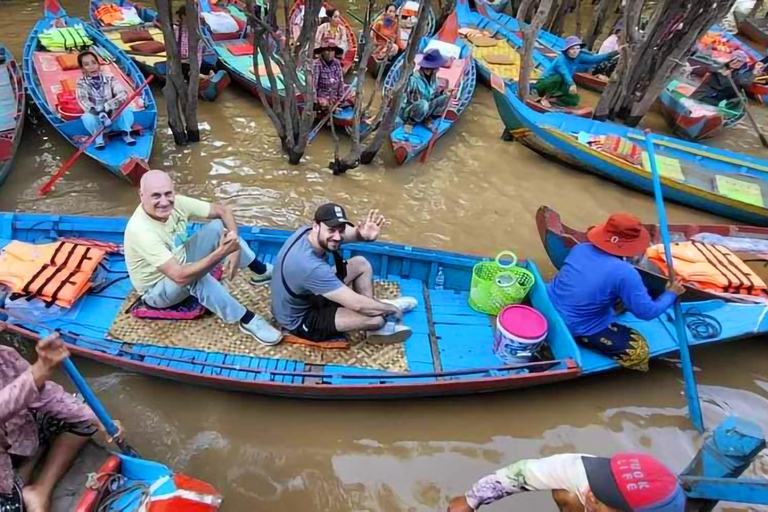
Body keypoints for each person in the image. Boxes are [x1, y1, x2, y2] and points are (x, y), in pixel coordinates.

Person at [124, 170, 282, 346]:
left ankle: (260, 271)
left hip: (180, 257)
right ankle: (247, 319)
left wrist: (234, 245)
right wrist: (222, 253)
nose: (164, 201)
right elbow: (180, 276)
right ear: (141, 195)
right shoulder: (141, 231)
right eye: (156, 196)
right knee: (195, 277)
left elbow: (223, 211)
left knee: (217, 228)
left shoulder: (177, 204)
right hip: (157, 290)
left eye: (168, 194)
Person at [0, 333, 123, 512]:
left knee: (84, 414)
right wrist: (37, 373)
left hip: (22, 434)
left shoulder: (4, 356)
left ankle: (40, 488)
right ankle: (24, 474)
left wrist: (97, 418)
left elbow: (43, 394)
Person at [547, 214, 685, 372]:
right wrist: (671, 293)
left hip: (550, 305)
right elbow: (647, 313)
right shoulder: (625, 272)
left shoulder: (580, 248)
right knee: (638, 351)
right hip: (577, 325)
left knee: (612, 295)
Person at [271, 204, 418, 344]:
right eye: (331, 230)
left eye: (340, 229)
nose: (337, 236)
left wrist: (363, 235)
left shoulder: (307, 232)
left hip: (308, 294)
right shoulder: (310, 266)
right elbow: (357, 305)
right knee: (377, 319)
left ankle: (374, 308)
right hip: (301, 319)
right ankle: (378, 315)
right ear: (316, 226)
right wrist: (392, 310)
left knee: (361, 263)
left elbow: (349, 234)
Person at [448, 452, 685, 512]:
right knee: (566, 493)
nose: (591, 493)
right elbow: (523, 473)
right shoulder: (588, 473)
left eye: (606, 499)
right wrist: (471, 499)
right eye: (602, 483)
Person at [534, 36, 619, 108]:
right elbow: (565, 73)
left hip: (562, 84)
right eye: (572, 49)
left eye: (577, 48)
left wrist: (616, 52)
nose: (575, 51)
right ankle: (545, 98)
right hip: (546, 83)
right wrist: (571, 84)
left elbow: (594, 59)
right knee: (557, 78)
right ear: (567, 50)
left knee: (573, 100)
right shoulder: (561, 59)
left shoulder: (579, 56)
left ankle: (552, 98)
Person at [76, 50, 136, 150]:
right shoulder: (81, 83)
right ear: (82, 69)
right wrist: (95, 110)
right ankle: (99, 138)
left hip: (114, 117)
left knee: (126, 110)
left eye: (94, 63)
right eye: (87, 65)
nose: (92, 66)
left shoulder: (110, 78)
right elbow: (82, 100)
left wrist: (108, 106)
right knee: (87, 117)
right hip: (98, 120)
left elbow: (123, 94)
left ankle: (126, 133)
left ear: (99, 65)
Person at [691, 50, 764, 107]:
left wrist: (754, 72)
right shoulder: (716, 68)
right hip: (701, 96)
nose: (736, 63)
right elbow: (698, 71)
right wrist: (719, 71)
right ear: (730, 59)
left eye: (740, 62)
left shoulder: (736, 76)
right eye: (735, 59)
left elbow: (745, 83)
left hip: (715, 101)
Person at [400, 49, 452, 127]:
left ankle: (429, 118)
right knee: (423, 104)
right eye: (437, 67)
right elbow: (403, 100)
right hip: (411, 111)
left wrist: (443, 93)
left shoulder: (433, 78)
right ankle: (410, 122)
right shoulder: (414, 80)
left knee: (446, 96)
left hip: (426, 108)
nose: (438, 69)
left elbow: (433, 94)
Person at [313, 38, 351, 111]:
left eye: (332, 50)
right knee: (324, 104)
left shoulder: (337, 63)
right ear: (322, 52)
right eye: (327, 50)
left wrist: (340, 98)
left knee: (354, 94)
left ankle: (338, 106)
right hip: (323, 96)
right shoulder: (316, 64)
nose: (330, 53)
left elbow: (340, 81)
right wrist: (315, 100)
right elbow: (313, 85)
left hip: (335, 95)